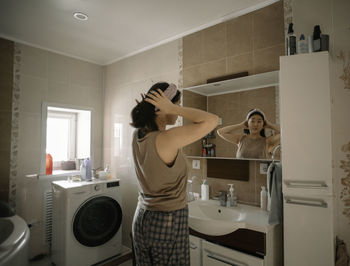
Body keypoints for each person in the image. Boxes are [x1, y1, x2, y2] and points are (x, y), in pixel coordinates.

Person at [130, 82, 218, 265]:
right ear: (162, 106)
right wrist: (171, 108)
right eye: (177, 104)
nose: (178, 110)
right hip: (167, 221)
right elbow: (212, 120)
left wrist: (153, 109)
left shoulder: (139, 135)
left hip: (141, 218)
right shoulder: (166, 139)